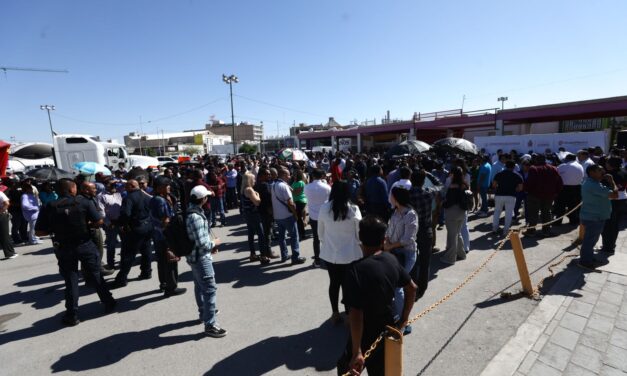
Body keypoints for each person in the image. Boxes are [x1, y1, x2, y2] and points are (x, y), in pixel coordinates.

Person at [337, 216, 417, 376]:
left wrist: (357, 351)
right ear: (383, 239)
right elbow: (412, 288)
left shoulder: (355, 270)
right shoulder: (391, 260)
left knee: (345, 369)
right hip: (386, 327)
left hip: (364, 333)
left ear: (360, 238)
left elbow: (356, 314)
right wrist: (404, 319)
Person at [35, 178, 116, 326]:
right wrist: (87, 224)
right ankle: (108, 302)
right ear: (73, 189)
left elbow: (39, 232)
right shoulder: (83, 202)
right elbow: (99, 221)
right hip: (84, 244)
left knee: (71, 281)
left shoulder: (49, 206)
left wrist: (55, 229)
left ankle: (72, 314)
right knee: (96, 274)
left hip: (64, 248)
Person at [318, 180, 362, 324]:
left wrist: (329, 243)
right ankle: (349, 313)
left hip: (331, 254)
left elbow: (320, 233)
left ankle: (335, 313)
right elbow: (359, 234)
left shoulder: (324, 208)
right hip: (351, 253)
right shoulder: (354, 209)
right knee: (348, 284)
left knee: (334, 282)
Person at [186, 185, 226, 337]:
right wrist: (214, 243)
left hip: (195, 256)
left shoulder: (191, 210)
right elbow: (202, 243)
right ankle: (210, 324)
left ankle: (204, 313)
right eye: (206, 196)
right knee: (209, 289)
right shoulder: (195, 216)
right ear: (202, 199)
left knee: (199, 285)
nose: (208, 198)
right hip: (200, 258)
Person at [385, 186, 418, 335]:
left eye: (391, 195)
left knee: (399, 287)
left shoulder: (410, 214)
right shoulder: (395, 212)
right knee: (394, 287)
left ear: (396, 198)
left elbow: (408, 239)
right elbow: (389, 230)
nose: (389, 198)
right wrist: (386, 241)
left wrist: (390, 245)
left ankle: (403, 321)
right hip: (393, 251)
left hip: (406, 254)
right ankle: (397, 314)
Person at [111, 179, 153, 288]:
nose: (124, 188)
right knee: (146, 250)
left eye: (126, 186)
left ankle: (121, 279)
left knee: (128, 254)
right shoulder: (146, 195)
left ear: (131, 186)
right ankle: (146, 272)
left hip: (136, 228)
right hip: (147, 226)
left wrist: (121, 224)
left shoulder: (129, 198)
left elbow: (126, 214)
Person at [151, 176, 186, 296]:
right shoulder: (159, 200)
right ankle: (171, 287)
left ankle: (165, 284)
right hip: (165, 235)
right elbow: (165, 220)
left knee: (163, 261)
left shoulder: (161, 198)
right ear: (160, 188)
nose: (169, 187)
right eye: (167, 185)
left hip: (160, 235)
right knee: (170, 261)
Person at [579, 165, 618, 269]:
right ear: (592, 173)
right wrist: (612, 182)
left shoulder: (594, 183)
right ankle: (585, 262)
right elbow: (615, 195)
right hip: (594, 217)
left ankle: (588, 257)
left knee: (591, 240)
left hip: (594, 216)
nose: (603, 171)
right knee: (590, 240)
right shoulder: (593, 185)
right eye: (599, 170)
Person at [271, 168, 306, 264]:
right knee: (294, 236)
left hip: (278, 216)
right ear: (283, 175)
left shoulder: (274, 185)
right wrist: (295, 214)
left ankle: (284, 255)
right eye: (288, 175)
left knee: (282, 237)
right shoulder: (283, 186)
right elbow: (290, 202)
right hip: (287, 215)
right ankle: (295, 257)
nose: (289, 176)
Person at [524, 155, 563, 237]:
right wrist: (556, 192)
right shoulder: (553, 168)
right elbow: (559, 182)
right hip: (549, 195)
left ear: (536, 160)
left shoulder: (533, 168)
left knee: (533, 213)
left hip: (534, 195)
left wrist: (526, 190)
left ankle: (531, 231)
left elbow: (530, 182)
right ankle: (546, 231)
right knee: (546, 213)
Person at [440, 167, 468, 265]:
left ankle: (450, 258)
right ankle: (461, 254)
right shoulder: (464, 185)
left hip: (452, 212)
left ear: (453, 175)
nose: (450, 174)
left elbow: (449, 202)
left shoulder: (453, 187)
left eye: (451, 173)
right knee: (458, 233)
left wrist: (442, 203)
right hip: (462, 212)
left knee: (452, 235)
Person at [304, 168, 331, 267]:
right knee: (327, 237)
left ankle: (317, 260)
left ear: (313, 176)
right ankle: (328, 258)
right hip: (325, 215)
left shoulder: (307, 187)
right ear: (322, 176)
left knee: (316, 238)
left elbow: (307, 198)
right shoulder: (327, 187)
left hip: (314, 216)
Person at [241, 172, 270, 264]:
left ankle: (253, 254)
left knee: (251, 233)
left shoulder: (243, 189)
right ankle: (263, 256)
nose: (255, 181)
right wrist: (257, 194)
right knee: (261, 235)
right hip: (254, 214)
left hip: (248, 214)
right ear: (249, 180)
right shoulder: (249, 189)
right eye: (253, 179)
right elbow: (257, 202)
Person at [599, 157, 626, 254]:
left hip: (612, 201)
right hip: (622, 200)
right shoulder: (623, 171)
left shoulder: (609, 175)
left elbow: (605, 189)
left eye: (607, 163)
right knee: (615, 225)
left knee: (608, 226)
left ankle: (607, 247)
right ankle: (611, 245)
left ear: (610, 164)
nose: (606, 164)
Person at [491, 160, 523, 235]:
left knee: (497, 212)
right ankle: (505, 230)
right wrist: (515, 189)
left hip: (499, 195)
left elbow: (494, 185)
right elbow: (520, 188)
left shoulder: (499, 174)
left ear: (505, 166)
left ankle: (494, 228)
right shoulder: (517, 175)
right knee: (509, 213)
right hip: (511, 196)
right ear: (514, 167)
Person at [554, 153, 584, 226]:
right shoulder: (580, 166)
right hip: (577, 188)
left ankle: (558, 221)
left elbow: (556, 175)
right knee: (573, 205)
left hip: (564, 188)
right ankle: (573, 220)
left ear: (567, 159)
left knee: (560, 206)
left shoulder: (563, 166)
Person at [98, 180, 123, 270]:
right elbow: (101, 213)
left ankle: (123, 261)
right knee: (111, 245)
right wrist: (108, 223)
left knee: (124, 243)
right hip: (111, 224)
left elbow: (129, 182)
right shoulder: (101, 196)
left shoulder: (118, 193)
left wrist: (118, 180)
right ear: (105, 185)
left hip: (121, 222)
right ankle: (111, 264)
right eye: (111, 185)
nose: (114, 187)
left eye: (114, 185)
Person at [254, 168, 278, 260]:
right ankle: (268, 252)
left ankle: (265, 252)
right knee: (268, 233)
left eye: (269, 174)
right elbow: (268, 200)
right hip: (266, 212)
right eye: (267, 174)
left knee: (265, 233)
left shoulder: (257, 185)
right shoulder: (264, 185)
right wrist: (271, 211)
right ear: (261, 176)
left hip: (260, 212)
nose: (269, 176)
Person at [0, 187, 18, 259]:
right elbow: (7, 203)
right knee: (4, 235)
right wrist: (1, 211)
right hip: (2, 215)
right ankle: (9, 253)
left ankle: (10, 252)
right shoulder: (0, 193)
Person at [291, 169, 308, 239]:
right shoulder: (294, 182)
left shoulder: (301, 182)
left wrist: (288, 188)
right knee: (297, 218)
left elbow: (296, 192)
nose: (293, 175)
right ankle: (301, 232)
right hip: (296, 201)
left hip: (300, 200)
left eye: (295, 174)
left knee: (298, 218)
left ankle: (302, 234)